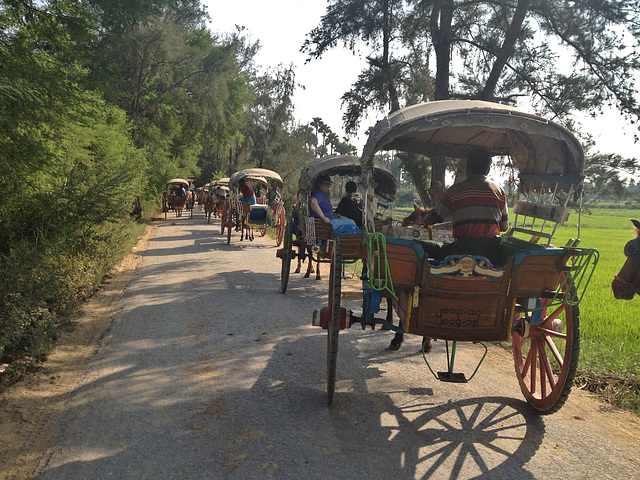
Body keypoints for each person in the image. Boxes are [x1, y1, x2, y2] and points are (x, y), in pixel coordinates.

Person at [420, 147, 509, 265]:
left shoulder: (455, 191)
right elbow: (504, 227)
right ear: (488, 170)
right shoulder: (500, 192)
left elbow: (434, 219)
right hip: (491, 254)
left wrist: (426, 222)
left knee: (420, 245)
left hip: (461, 251)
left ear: (468, 170)